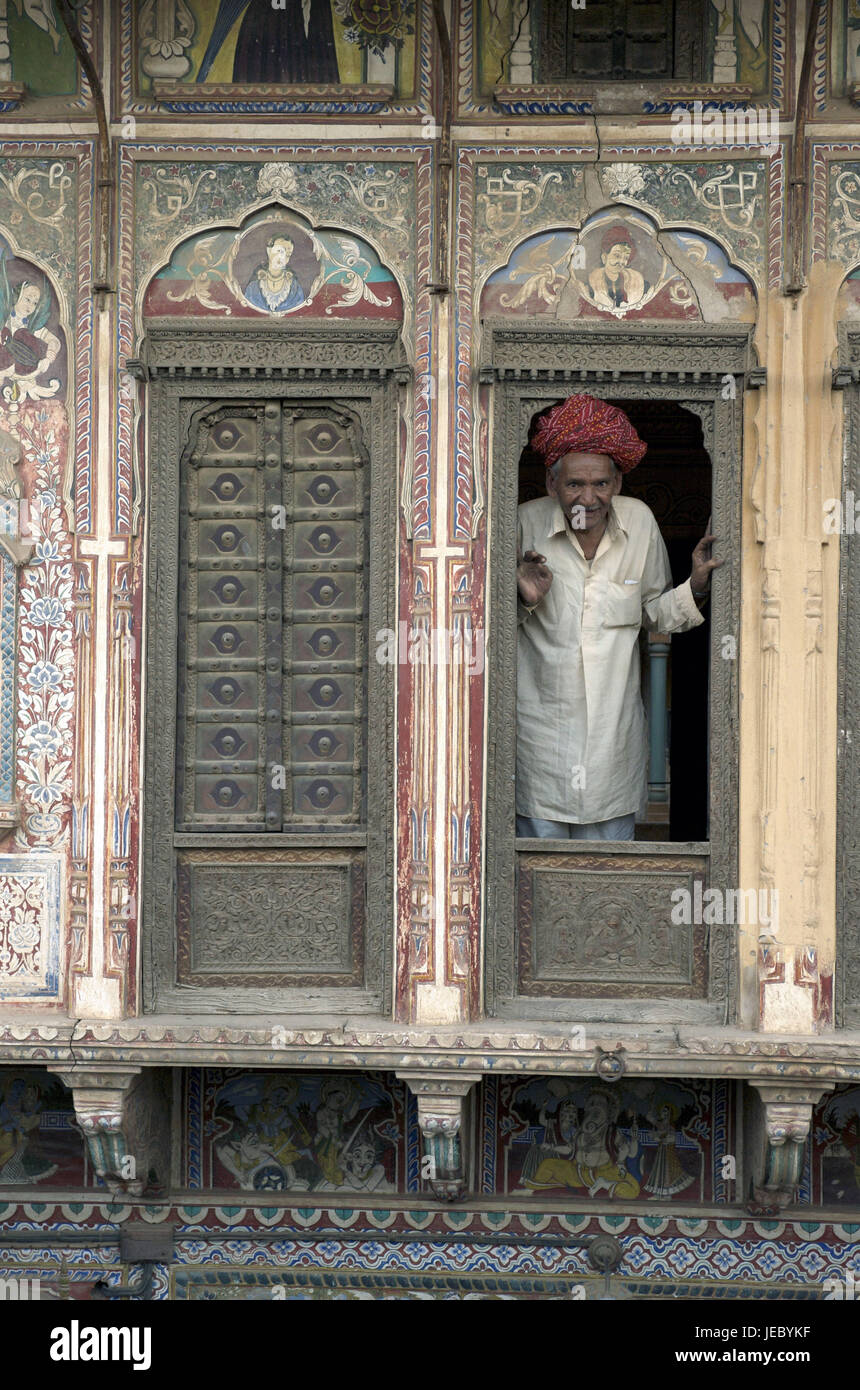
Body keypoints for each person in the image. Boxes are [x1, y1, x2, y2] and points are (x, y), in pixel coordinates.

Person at [516, 392, 722, 840]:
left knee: (606, 867)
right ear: (552, 485)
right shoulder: (523, 525)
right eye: (574, 485)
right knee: (537, 875)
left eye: (600, 485)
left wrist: (698, 586)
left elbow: (655, 614)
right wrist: (521, 597)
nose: (587, 499)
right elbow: (482, 622)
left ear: (618, 483)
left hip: (613, 743)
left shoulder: (641, 523)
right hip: (539, 744)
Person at [242, 236, 305, 313]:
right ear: (269, 251)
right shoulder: (253, 288)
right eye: (279, 251)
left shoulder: (295, 289)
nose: (282, 257)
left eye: (287, 254)